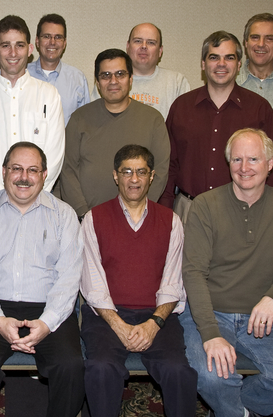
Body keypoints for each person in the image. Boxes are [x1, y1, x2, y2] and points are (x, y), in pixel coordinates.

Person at [180, 128, 273, 417]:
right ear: (228, 163)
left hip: (260, 314)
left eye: (254, 159)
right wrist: (210, 333)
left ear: (270, 163)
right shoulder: (206, 205)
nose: (244, 168)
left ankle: (231, 409)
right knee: (211, 376)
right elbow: (193, 273)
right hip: (209, 311)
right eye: (237, 160)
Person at [0, 142, 85, 417]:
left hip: (50, 308)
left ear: (44, 174)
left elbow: (69, 277)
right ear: (4, 172)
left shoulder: (64, 216)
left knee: (72, 366)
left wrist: (47, 323)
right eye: (16, 169)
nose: (24, 177)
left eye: (32, 170)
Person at [81, 144, 195, 417]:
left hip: (156, 315)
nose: (134, 179)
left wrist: (154, 323)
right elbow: (92, 283)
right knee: (100, 369)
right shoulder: (93, 219)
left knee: (178, 372)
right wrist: (118, 325)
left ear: (151, 176)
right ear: (115, 176)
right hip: (106, 315)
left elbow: (173, 282)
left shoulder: (171, 221)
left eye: (141, 172)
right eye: (127, 172)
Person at [161, 31, 273, 224]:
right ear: (203, 64)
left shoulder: (259, 108)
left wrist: (265, 214)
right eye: (214, 57)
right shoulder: (182, 106)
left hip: (243, 212)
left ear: (239, 64)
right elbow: (168, 164)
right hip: (188, 210)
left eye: (229, 58)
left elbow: (271, 168)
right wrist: (164, 211)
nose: (221, 64)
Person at [0, 15, 65, 198]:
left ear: (30, 49)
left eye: (19, 45)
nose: (13, 53)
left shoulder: (49, 95)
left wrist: (34, 193)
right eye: (5, 45)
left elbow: (55, 153)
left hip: (38, 197)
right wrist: (0, 194)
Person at [60, 49, 170, 218]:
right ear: (97, 82)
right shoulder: (79, 119)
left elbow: (160, 171)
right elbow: (67, 170)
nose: (113, 81)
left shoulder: (152, 119)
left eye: (120, 74)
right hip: (87, 219)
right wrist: (82, 212)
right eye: (105, 75)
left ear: (131, 79)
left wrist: (139, 211)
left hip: (138, 219)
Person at [27, 14, 89, 125]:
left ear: (64, 43)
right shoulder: (23, 74)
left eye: (58, 37)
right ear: (37, 41)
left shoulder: (77, 79)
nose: (52, 42)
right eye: (46, 36)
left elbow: (85, 123)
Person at [125, 23, 190, 119]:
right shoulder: (111, 80)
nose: (144, 46)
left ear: (160, 51)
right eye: (138, 41)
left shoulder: (177, 82)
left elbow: (185, 123)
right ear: (128, 46)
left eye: (151, 42)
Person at [236, 13, 273, 116]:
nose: (261, 44)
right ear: (245, 43)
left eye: (269, 39)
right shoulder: (229, 83)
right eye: (255, 37)